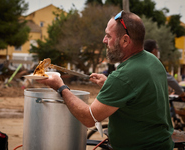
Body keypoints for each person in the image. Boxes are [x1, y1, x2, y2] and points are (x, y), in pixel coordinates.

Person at [37, 10, 174, 149]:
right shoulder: (152, 61)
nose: (104, 40)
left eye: (108, 36)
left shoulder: (123, 76)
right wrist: (108, 83)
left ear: (125, 40)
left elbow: (89, 118)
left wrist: (60, 87)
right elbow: (139, 96)